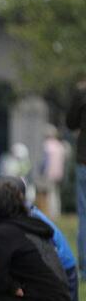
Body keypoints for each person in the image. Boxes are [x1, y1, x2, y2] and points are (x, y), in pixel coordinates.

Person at [67, 93, 86, 280]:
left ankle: (85, 270)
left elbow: (70, 123)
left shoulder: (82, 95)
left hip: (84, 161)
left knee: (85, 216)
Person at [39, 126, 66, 218]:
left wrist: (41, 171)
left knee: (50, 193)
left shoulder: (47, 145)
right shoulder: (60, 146)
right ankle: (57, 211)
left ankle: (51, 212)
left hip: (49, 172)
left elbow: (44, 161)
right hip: (59, 173)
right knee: (57, 193)